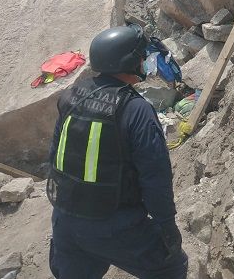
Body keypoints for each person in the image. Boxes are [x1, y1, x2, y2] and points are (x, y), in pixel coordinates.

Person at [47, 24, 188, 279]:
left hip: (65, 220)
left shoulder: (70, 96)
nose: (145, 61)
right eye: (141, 56)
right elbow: (155, 178)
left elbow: (55, 156)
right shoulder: (136, 110)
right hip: (113, 224)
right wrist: (167, 225)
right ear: (130, 62)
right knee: (172, 267)